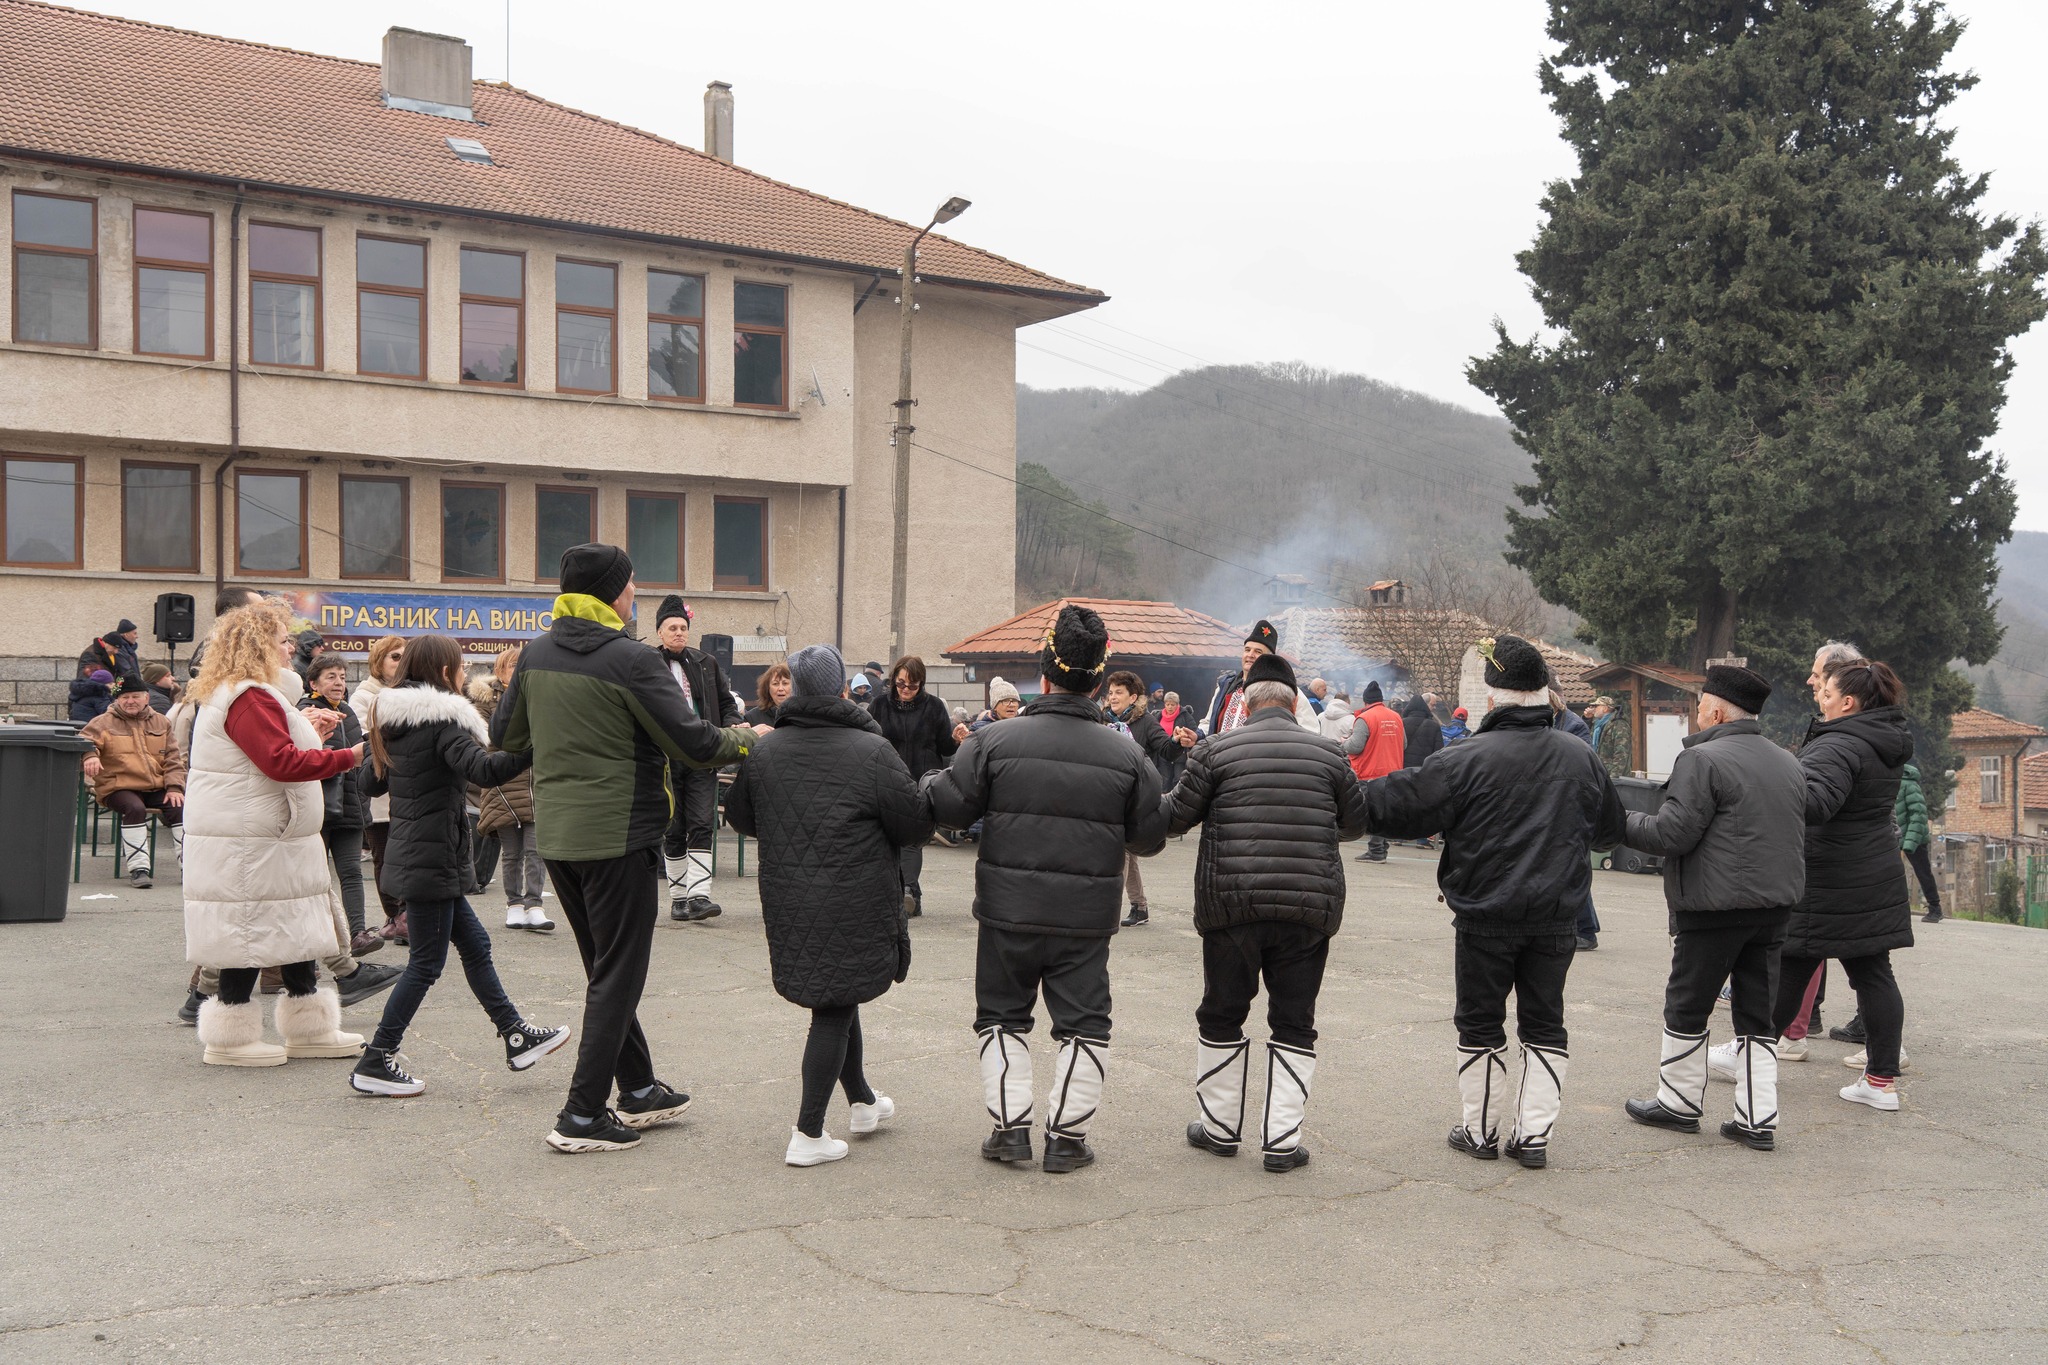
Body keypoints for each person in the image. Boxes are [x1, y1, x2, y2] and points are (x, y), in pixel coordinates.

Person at [492, 543, 759, 1153]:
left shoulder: (535, 654)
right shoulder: (632, 659)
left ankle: (637, 1088)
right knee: (619, 975)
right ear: (614, 592)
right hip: (620, 836)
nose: (636, 593)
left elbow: (507, 736)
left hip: (559, 838)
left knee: (605, 969)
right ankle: (582, 1115)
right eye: (632, 584)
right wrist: (749, 738)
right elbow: (694, 744)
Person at [1364, 634, 1626, 1170]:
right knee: (1545, 1024)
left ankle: (1479, 1131)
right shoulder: (1580, 755)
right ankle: (1533, 1138)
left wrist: (1327, 784)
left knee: (1480, 1022)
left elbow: (1399, 808)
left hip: (1485, 913)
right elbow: (1608, 831)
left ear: (1491, 697)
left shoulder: (1464, 757)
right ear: (1544, 693)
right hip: (1557, 915)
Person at [925, 604, 1167, 1173]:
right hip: (1086, 915)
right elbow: (1150, 837)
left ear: (1045, 676)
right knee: (1085, 1023)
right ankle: (1066, 1138)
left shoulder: (992, 740)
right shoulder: (1128, 754)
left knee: (1001, 1015)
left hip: (1007, 909)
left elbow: (951, 808)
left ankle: (1010, 1132)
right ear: (1099, 683)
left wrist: (928, 780)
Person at [724, 644, 932, 1166]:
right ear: (842, 688)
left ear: (793, 687)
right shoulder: (872, 750)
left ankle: (862, 1102)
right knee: (834, 1006)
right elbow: (913, 825)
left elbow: (740, 818)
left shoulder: (765, 750)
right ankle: (808, 1132)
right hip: (854, 894)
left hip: (790, 896)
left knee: (837, 994)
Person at [1167, 650, 1368, 1173]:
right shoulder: (1330, 755)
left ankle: (1219, 1130)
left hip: (1232, 906)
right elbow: (1354, 825)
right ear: (1294, 701)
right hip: (1307, 908)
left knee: (1222, 1013)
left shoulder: (1215, 751)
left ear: (1245, 700)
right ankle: (1281, 1142)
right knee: (1295, 1022)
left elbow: (1175, 818)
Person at [350, 635, 570, 1097]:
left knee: (476, 945)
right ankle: (376, 1058)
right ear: (444, 671)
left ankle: (515, 1035)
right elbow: (484, 771)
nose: (466, 673)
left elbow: (368, 782)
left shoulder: (390, 719)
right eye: (461, 666)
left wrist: (376, 744)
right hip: (432, 859)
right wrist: (538, 745)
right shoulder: (442, 720)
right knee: (426, 964)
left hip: (418, 855)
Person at [1616, 666, 1806, 1152]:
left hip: (1714, 905)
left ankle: (1678, 1103)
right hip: (1774, 906)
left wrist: (1618, 820)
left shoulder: (1701, 759)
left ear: (1718, 712)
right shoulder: (1787, 762)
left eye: (1700, 706)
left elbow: (1672, 834)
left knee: (1688, 1003)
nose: (1696, 714)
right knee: (1757, 1014)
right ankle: (1757, 1118)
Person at [181, 601, 369, 1068]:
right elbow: (279, 763)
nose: (291, 649)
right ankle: (229, 1040)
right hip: (251, 837)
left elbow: (271, 753)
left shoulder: (249, 693)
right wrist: (350, 756)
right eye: (284, 641)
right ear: (260, 646)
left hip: (265, 834)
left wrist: (313, 735)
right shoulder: (249, 696)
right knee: (248, 935)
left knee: (292, 928)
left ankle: (309, 1029)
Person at [1758, 658, 1916, 1112]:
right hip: (1870, 873)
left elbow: (1815, 804)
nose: (1820, 699)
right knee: (1871, 974)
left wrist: (1774, 776)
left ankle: (1752, 1054)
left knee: (1793, 964)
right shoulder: (1880, 739)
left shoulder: (1840, 743)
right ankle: (1880, 1081)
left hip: (1832, 879)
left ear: (1847, 702)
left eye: (1826, 693)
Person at [649, 595, 743, 922]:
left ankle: (699, 896)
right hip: (665, 759)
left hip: (702, 754)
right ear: (659, 632)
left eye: (683, 627)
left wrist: (733, 724)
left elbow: (726, 704)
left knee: (702, 823)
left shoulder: (706, 663)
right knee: (674, 827)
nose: (679, 633)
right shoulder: (648, 663)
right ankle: (678, 899)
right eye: (672, 628)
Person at [870, 654, 969, 918]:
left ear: (921, 683)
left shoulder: (934, 707)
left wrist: (955, 739)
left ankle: (909, 891)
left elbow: (944, 748)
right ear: (893, 680)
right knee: (889, 840)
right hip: (887, 780)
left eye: (912, 686)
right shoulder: (879, 705)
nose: (905, 690)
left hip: (920, 782)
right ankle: (902, 893)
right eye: (900, 684)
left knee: (912, 839)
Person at [300, 653, 381, 957]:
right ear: (313, 683)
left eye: (343, 677)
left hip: (350, 805)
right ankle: (311, 947)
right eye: (331, 676)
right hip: (319, 808)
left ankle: (357, 934)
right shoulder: (305, 712)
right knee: (314, 880)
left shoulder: (346, 710)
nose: (338, 683)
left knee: (351, 873)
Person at [469, 646, 552, 933]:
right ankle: (514, 904)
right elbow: (486, 742)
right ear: (500, 670)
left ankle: (535, 905)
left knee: (536, 849)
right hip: (502, 785)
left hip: (535, 784)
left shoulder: (540, 697)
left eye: (521, 665)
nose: (518, 671)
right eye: (513, 665)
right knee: (512, 852)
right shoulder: (483, 702)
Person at [80, 674, 186, 888]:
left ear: (146, 697)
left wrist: (175, 787)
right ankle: (139, 869)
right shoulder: (102, 722)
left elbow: (173, 759)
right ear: (117, 700)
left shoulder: (161, 721)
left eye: (135, 696)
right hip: (118, 786)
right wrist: (90, 755)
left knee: (179, 807)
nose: (130, 701)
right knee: (134, 808)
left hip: (155, 785)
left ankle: (190, 869)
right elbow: (85, 742)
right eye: (124, 697)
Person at [1104, 669, 1179, 928]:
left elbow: (1166, 749)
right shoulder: (1102, 720)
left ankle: (1109, 909)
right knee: (1128, 851)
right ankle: (1140, 907)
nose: (1113, 697)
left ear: (1133, 697)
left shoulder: (1145, 721)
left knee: (1121, 851)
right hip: (1107, 792)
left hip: (1134, 797)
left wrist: (1177, 741)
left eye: (1119, 692)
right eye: (1110, 692)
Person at [349, 636, 410, 944]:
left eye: (404, 657)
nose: (400, 662)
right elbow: (364, 739)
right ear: (378, 661)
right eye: (394, 657)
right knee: (384, 856)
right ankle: (394, 915)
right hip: (379, 790)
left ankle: (409, 915)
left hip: (407, 790)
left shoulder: (410, 693)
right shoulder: (364, 696)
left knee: (409, 856)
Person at [1191, 620, 1317, 739]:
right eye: (1247, 650)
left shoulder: (1287, 690)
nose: (1250, 655)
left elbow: (1310, 731)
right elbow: (1209, 723)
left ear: (1268, 659)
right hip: (1222, 753)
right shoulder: (1225, 687)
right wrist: (1197, 736)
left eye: (1258, 652)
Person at [1345, 681, 1406, 862]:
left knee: (1374, 812)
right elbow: (1404, 744)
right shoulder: (1396, 717)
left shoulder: (1365, 718)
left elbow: (1355, 746)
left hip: (1371, 772)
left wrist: (1342, 743)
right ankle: (1382, 848)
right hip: (1393, 772)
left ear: (1365, 701)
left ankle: (1376, 851)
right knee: (1384, 811)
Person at [1896, 763, 1943, 924]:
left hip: (1915, 839)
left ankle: (1935, 908)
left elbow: (1918, 815)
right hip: (1897, 837)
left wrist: (1909, 842)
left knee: (1923, 872)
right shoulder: (1891, 783)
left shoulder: (1909, 785)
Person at [1587, 696, 1629, 777]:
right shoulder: (1596, 725)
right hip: (1598, 773)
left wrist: (1614, 777)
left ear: (1605, 708)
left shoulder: (1619, 725)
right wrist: (1587, 719)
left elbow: (1621, 753)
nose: (1593, 709)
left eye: (1596, 706)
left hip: (1611, 775)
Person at [1400, 692, 1443, 769]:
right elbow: (1438, 752)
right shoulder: (1434, 726)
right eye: (1432, 705)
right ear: (1425, 705)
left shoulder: (1401, 723)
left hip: (1404, 769)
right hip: (1424, 769)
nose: (1435, 708)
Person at [746, 662, 793, 727]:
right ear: (768, 688)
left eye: (785, 683)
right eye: (775, 684)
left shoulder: (802, 716)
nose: (780, 688)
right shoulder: (751, 718)